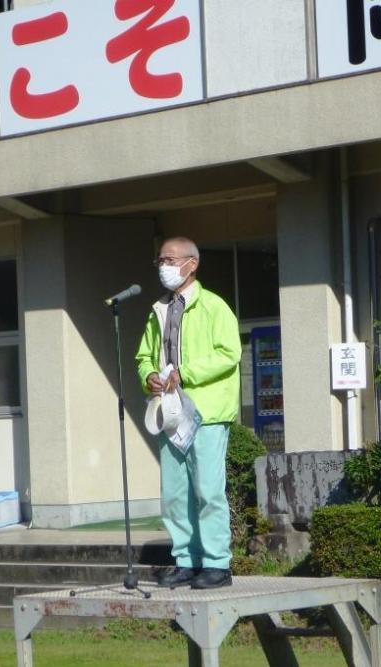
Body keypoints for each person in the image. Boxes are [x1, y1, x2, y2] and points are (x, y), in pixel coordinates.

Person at [135, 237, 241, 590]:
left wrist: (187, 373)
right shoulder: (158, 310)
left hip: (206, 413)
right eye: (160, 260)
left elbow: (229, 354)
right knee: (175, 492)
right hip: (170, 412)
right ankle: (185, 559)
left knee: (208, 490)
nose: (163, 266)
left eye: (170, 259)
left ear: (191, 264)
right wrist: (148, 375)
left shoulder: (214, 307)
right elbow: (144, 357)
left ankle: (216, 564)